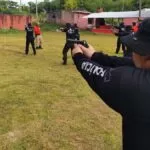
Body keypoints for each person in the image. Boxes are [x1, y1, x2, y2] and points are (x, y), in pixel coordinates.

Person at [71, 18, 150, 150]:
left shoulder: (137, 86)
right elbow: (127, 62)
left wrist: (78, 57)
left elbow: (100, 75)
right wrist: (95, 56)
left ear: (145, 54)